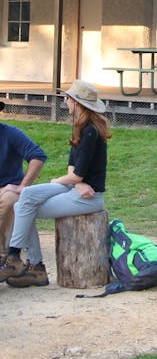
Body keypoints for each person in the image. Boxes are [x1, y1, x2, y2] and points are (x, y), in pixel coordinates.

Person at [0, 80, 111, 288]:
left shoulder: (90, 132)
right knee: (26, 198)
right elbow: (73, 170)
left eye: (68, 98)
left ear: (77, 103)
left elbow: (76, 175)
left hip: (89, 198)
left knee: (25, 206)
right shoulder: (80, 127)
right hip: (77, 188)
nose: (66, 101)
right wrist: (75, 182)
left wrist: (61, 181)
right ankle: (23, 262)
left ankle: (27, 263)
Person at [0, 101, 47, 262]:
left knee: (8, 201)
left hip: (8, 189)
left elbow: (38, 156)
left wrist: (22, 186)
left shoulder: (11, 133)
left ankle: (4, 257)